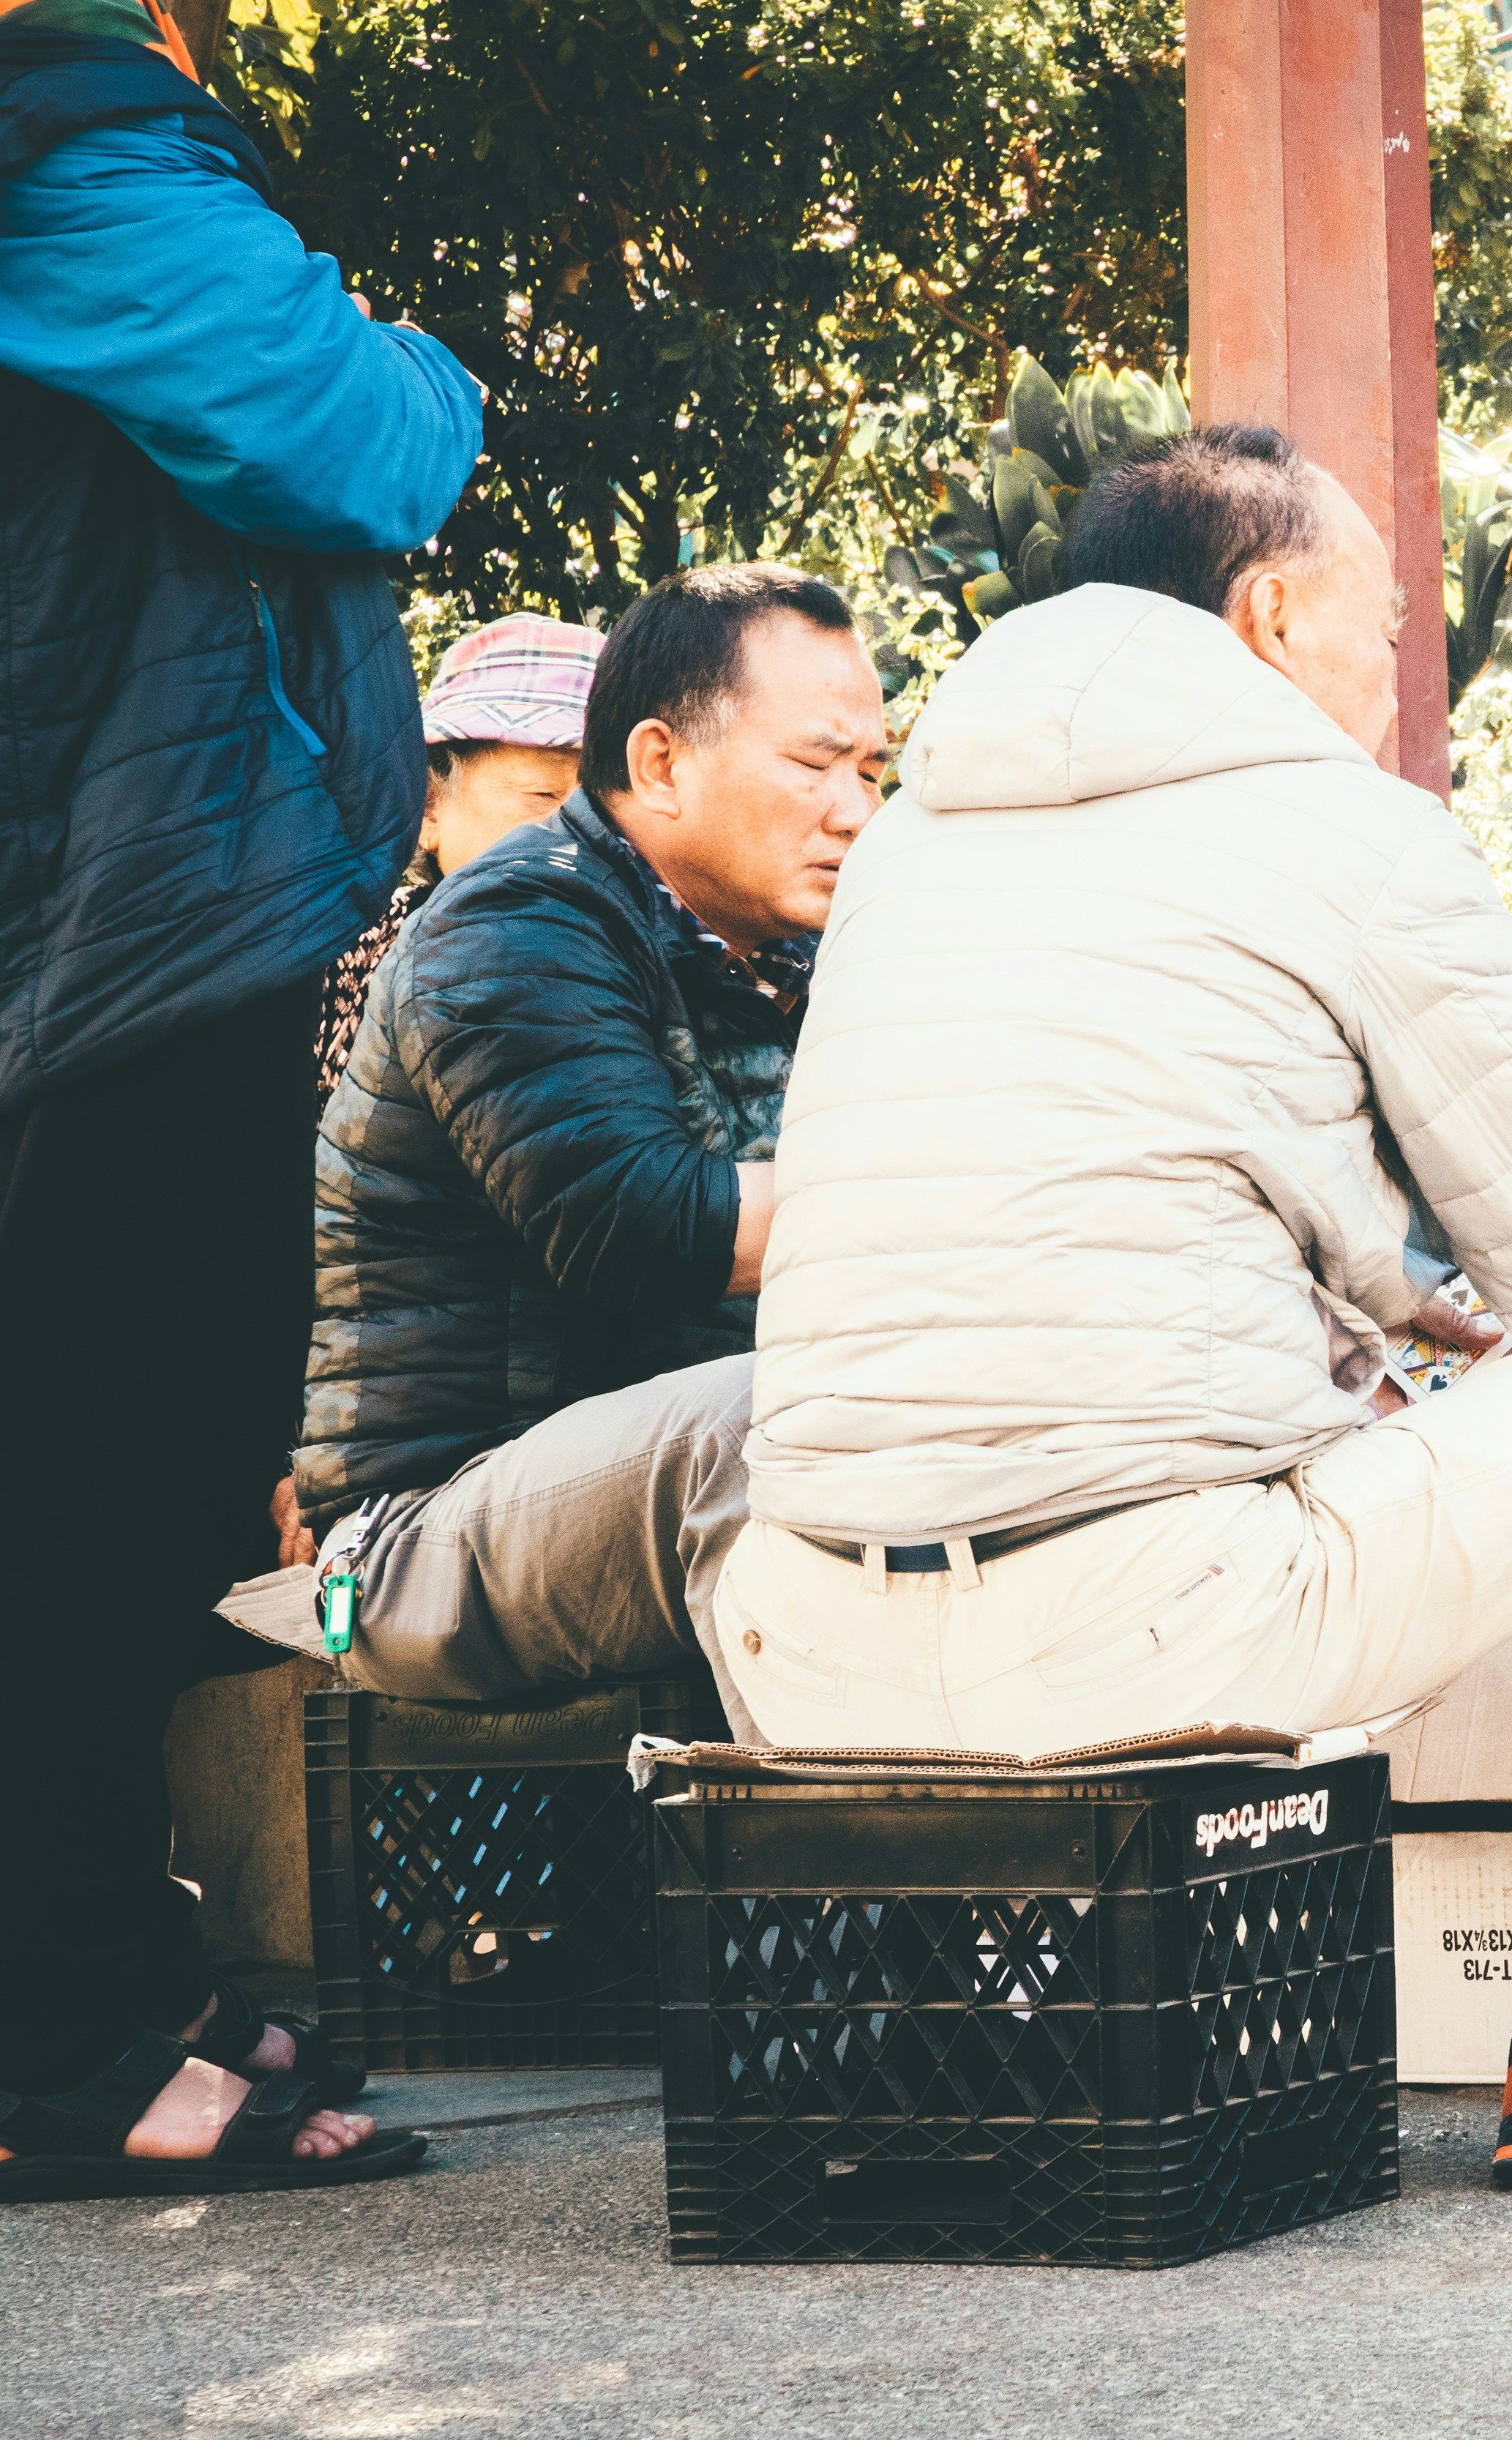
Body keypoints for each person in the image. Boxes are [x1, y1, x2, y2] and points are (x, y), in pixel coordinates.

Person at [727, 425, 1512, 2192]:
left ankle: (988, 2023)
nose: (1401, 673)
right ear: (1274, 610)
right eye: (1390, 629)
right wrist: (1477, 1308)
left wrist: (1386, 1299)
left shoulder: (914, 842)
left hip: (799, 1668)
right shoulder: (1349, 832)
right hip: (1145, 1640)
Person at [0, 0, 477, 2196]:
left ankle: (108, 1995)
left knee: (102, 1484)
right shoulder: (74, 141)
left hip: (104, 909)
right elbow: (365, 441)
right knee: (103, 1497)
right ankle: (69, 2047)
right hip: (134, 931)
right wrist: (413, 354)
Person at [282, 565, 883, 1715]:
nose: (854, 808)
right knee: (775, 1425)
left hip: (632, 1500)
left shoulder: (805, 957)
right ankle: (843, 1878)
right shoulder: (517, 921)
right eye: (814, 765)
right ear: (659, 762)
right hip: (415, 1537)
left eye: (870, 770)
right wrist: (980, 1203)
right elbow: (647, 1228)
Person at [310, 614, 602, 1102]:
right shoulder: (353, 945)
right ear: (429, 807)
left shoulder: (640, 960)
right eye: (543, 793)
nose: (586, 828)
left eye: (605, 799)